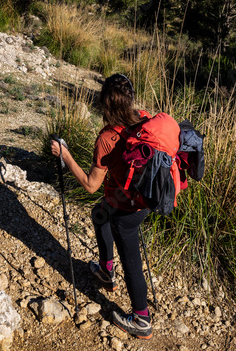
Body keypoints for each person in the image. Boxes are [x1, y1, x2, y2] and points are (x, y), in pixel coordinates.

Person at [51, 73, 153, 340]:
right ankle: (106, 269)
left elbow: (90, 184)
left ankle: (142, 319)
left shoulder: (108, 137)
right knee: (99, 214)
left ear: (104, 105)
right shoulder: (143, 118)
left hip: (129, 209)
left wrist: (66, 156)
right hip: (144, 196)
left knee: (132, 262)